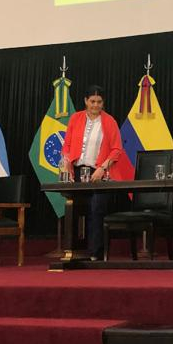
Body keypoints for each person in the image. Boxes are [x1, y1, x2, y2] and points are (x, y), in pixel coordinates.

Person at [59, 85, 123, 260]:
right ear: (86, 101)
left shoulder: (109, 121)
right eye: (92, 101)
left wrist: (102, 168)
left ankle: (96, 252)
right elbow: (67, 145)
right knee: (73, 208)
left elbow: (116, 149)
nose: (95, 105)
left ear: (103, 103)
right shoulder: (75, 118)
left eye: (99, 102)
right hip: (78, 172)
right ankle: (74, 251)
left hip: (100, 173)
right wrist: (66, 161)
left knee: (96, 209)